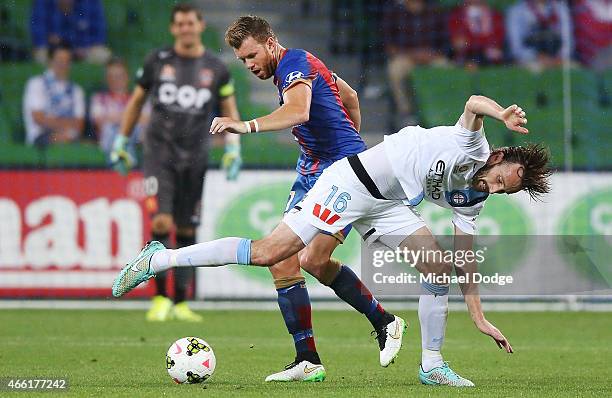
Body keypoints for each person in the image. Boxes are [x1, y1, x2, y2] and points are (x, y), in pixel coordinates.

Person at [114, 94, 553, 387]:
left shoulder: (472, 199)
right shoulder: (471, 145)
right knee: (273, 253)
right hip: (352, 183)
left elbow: (465, 262)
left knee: (439, 269)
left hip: (390, 205)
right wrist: (502, 115)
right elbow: (473, 102)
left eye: (506, 191)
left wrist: (478, 317)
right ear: (497, 157)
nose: (495, 189)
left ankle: (432, 365)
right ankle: (161, 258)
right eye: (501, 180)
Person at [121, 15, 407, 383]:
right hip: (312, 171)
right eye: (242, 61)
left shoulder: (296, 63)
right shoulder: (294, 68)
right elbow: (348, 95)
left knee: (290, 256)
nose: (249, 64)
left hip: (342, 175)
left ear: (270, 42)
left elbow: (299, 111)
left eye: (252, 55)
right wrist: (345, 129)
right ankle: (310, 358)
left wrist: (248, 125)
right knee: (293, 263)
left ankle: (385, 323)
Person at [110, 3, 242, 323]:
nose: (185, 28)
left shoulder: (216, 68)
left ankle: (182, 301)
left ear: (200, 25)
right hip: (159, 154)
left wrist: (234, 148)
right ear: (173, 29)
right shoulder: (157, 62)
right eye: (179, 24)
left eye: (190, 23)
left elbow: (229, 108)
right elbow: (136, 102)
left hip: (196, 156)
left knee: (186, 228)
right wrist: (122, 140)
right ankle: (159, 298)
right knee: (161, 224)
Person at [382, 0, 448, 124]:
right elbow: (389, 45)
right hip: (406, 57)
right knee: (394, 71)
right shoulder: (395, 12)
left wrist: (431, 54)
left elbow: (445, 42)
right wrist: (412, 54)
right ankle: (406, 113)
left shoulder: (434, 10)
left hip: (431, 58)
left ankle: (442, 110)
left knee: (446, 67)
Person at [23, 42, 85, 146]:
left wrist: (54, 122)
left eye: (67, 61)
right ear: (50, 61)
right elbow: (38, 118)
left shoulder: (77, 90)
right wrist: (67, 124)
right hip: (40, 138)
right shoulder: (36, 84)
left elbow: (79, 124)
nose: (63, 64)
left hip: (70, 138)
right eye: (60, 60)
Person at [90, 57, 149, 163]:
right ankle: (127, 168)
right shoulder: (99, 98)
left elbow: (147, 120)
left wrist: (116, 118)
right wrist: (131, 117)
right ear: (106, 78)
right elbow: (99, 122)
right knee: (113, 130)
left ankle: (121, 168)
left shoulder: (138, 98)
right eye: (111, 76)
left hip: (136, 137)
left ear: (127, 77)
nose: (115, 79)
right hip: (111, 139)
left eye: (119, 76)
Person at [30, 0, 111, 64]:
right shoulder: (43, 2)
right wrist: (55, 43)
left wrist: (84, 49)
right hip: (54, 51)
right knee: (41, 55)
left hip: (85, 49)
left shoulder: (91, 2)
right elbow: (38, 36)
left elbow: (99, 36)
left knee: (103, 55)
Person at [506, 0, 573, 70]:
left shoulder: (560, 9)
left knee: (571, 67)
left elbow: (568, 43)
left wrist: (557, 59)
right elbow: (516, 48)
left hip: (557, 60)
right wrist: (536, 56)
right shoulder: (516, 11)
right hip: (530, 61)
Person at [448, 0, 505, 69]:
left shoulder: (495, 15)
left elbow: (498, 38)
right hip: (468, 55)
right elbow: (459, 42)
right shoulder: (457, 16)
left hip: (491, 56)